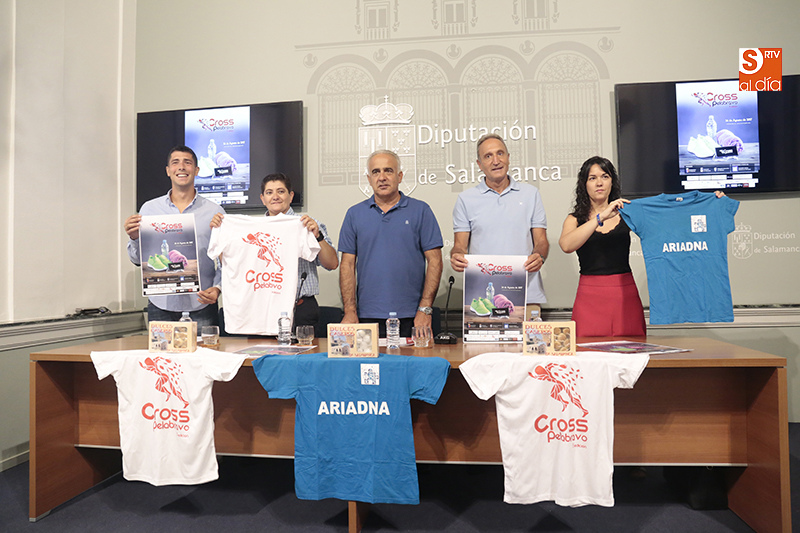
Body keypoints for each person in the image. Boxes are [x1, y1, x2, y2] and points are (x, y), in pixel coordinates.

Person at [210, 173, 339, 327]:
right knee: (258, 352)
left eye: (281, 191)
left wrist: (317, 237)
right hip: (260, 309)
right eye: (269, 193)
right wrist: (220, 231)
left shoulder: (307, 225)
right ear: (262, 199)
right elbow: (231, 264)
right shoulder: (249, 230)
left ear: (290, 196)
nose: (275, 196)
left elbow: (332, 264)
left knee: (305, 350)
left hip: (300, 309)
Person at [339, 149, 444, 338]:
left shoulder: (421, 210)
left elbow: (435, 261)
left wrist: (425, 309)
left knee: (411, 368)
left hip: (412, 317)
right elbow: (347, 265)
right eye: (375, 172)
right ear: (369, 179)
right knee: (368, 369)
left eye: (388, 170)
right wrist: (349, 310)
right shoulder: (354, 214)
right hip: (366, 317)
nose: (382, 177)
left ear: (400, 176)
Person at [124, 146, 225, 327]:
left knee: (206, 355)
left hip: (202, 303)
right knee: (163, 356)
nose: (181, 167)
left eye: (187, 162)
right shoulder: (149, 209)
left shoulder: (215, 212)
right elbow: (138, 260)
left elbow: (227, 260)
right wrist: (134, 239)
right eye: (175, 162)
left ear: (196, 170)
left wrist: (218, 288)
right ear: (168, 171)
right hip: (160, 304)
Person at [451, 133, 549, 306]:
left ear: (508, 158)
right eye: (488, 156)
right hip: (483, 297)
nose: (496, 161)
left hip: (526, 294)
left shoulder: (531, 194)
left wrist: (539, 255)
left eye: (500, 153)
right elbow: (459, 246)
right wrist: (457, 256)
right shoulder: (466, 199)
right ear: (479, 165)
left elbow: (541, 241)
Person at [558, 156, 646, 337]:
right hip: (590, 295)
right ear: (584, 184)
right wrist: (601, 217)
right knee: (587, 356)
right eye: (593, 178)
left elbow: (666, 218)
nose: (599, 183)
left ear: (612, 182)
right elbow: (566, 245)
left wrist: (712, 200)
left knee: (630, 351)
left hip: (625, 293)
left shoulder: (627, 213)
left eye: (605, 176)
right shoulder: (575, 219)